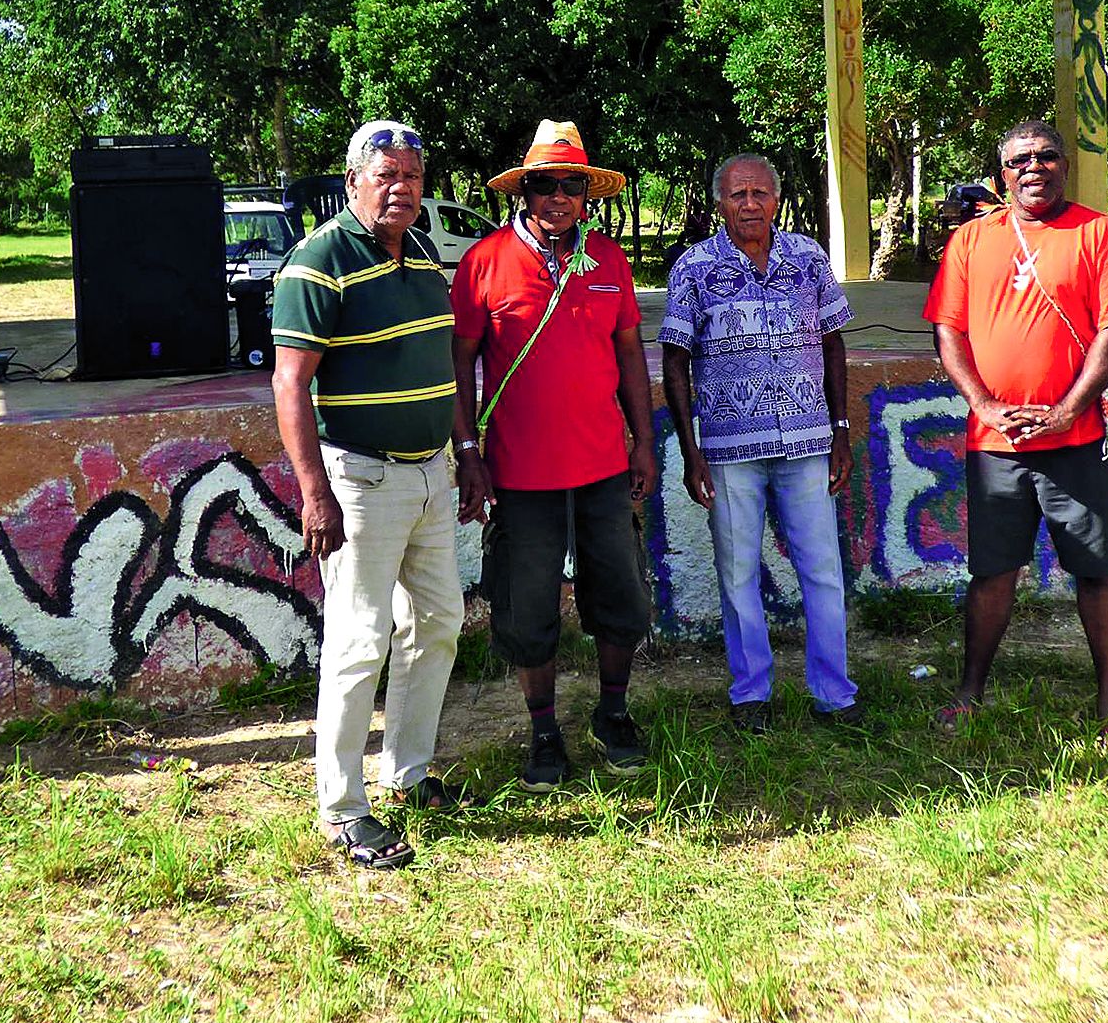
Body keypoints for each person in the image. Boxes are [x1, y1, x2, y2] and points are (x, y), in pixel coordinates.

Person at [271, 119, 464, 871]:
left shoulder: (419, 250)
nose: (401, 188)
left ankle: (408, 773)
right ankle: (343, 810)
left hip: (429, 473)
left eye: (412, 176)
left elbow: (439, 360)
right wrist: (314, 493)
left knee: (438, 621)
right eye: (386, 176)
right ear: (353, 180)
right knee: (358, 641)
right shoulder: (318, 260)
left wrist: (461, 453)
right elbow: (290, 382)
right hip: (361, 478)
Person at [450, 120, 657, 790]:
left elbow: (628, 354)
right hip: (518, 471)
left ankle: (613, 711)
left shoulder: (610, 261)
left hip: (602, 463)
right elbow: (459, 366)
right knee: (525, 602)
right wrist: (467, 452)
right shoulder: (483, 262)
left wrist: (644, 442)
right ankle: (543, 730)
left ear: (586, 195)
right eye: (545, 183)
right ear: (525, 190)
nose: (558, 196)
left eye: (571, 184)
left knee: (620, 591)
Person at [923, 119, 1108, 735]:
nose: (1034, 168)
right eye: (1021, 159)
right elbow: (949, 329)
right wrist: (985, 405)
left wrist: (1073, 406)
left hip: (1076, 438)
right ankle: (970, 692)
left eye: (1046, 156)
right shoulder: (971, 240)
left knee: (1099, 570)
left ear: (1063, 165)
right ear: (1003, 172)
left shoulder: (1099, 235)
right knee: (992, 570)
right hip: (996, 442)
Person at [662, 153, 861, 733]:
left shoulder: (807, 257)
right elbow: (676, 361)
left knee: (822, 570)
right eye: (736, 194)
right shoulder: (694, 268)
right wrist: (690, 448)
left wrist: (841, 430)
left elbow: (832, 345)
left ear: (775, 199)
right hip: (728, 449)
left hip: (807, 442)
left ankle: (835, 693)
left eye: (759, 193)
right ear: (719, 203)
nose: (749, 204)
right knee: (737, 572)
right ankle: (751, 692)